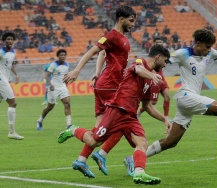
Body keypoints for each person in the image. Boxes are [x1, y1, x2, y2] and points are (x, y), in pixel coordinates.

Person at [123, 29, 217, 176]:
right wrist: (148, 75)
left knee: (171, 141)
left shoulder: (209, 52)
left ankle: (132, 159)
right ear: (198, 43)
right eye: (207, 47)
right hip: (186, 96)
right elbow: (161, 61)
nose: (209, 50)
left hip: (189, 101)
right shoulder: (183, 54)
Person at [58, 44, 171, 185]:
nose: (166, 65)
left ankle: (139, 173)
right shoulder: (140, 62)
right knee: (94, 141)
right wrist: (152, 75)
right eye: (166, 61)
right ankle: (73, 130)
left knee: (142, 143)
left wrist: (164, 119)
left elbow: (147, 106)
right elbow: (138, 69)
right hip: (117, 110)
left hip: (130, 116)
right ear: (158, 57)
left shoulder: (151, 79)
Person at [61, 5, 137, 178]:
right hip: (110, 86)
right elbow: (94, 51)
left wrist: (97, 72)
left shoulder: (121, 38)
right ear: (121, 19)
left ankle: (81, 159)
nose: (133, 24)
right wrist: (77, 71)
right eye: (131, 20)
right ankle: (97, 150)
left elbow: (103, 55)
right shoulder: (112, 36)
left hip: (105, 84)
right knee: (123, 124)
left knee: (99, 131)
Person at [36, 49, 72, 130]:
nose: (63, 56)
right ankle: (40, 120)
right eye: (61, 55)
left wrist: (66, 84)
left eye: (64, 55)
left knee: (67, 104)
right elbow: (47, 75)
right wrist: (50, 84)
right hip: (54, 87)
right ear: (58, 56)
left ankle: (69, 125)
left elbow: (65, 75)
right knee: (50, 106)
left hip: (62, 86)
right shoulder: (54, 64)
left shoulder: (67, 65)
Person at [137, 36, 170, 119]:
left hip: (161, 78)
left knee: (167, 97)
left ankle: (166, 117)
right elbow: (139, 68)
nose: (159, 43)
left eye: (160, 42)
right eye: (157, 42)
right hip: (153, 77)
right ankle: (138, 112)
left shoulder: (164, 53)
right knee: (152, 102)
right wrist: (152, 75)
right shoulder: (151, 55)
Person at [0, 32, 24, 140]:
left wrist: (16, 74)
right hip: (1, 79)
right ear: (4, 40)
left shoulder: (13, 52)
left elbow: (11, 64)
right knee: (12, 103)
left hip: (6, 78)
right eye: (8, 39)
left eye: (11, 39)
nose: (10, 41)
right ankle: (12, 132)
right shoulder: (1, 52)